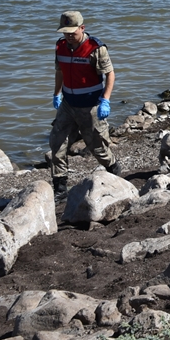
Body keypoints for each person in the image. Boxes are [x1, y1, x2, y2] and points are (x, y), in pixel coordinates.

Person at [50, 11, 120, 199]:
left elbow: (110, 74)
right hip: (68, 105)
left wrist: (105, 100)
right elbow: (60, 72)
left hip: (90, 106)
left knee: (97, 147)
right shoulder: (60, 46)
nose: (68, 36)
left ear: (82, 28)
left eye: (72, 32)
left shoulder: (95, 48)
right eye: (65, 32)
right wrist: (56, 93)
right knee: (57, 143)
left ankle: (114, 169)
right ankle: (59, 187)